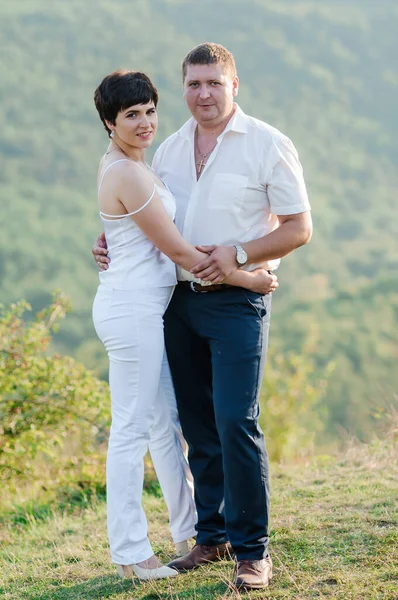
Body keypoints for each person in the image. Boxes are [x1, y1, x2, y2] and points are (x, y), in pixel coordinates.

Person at [92, 69, 279, 582]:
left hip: (154, 306)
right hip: (138, 310)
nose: (145, 121)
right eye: (131, 115)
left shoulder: (141, 162)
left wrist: (112, 236)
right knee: (134, 429)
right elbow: (175, 247)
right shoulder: (139, 167)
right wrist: (249, 278)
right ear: (110, 123)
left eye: (149, 110)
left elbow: (137, 228)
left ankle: (196, 533)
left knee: (169, 423)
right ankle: (131, 551)